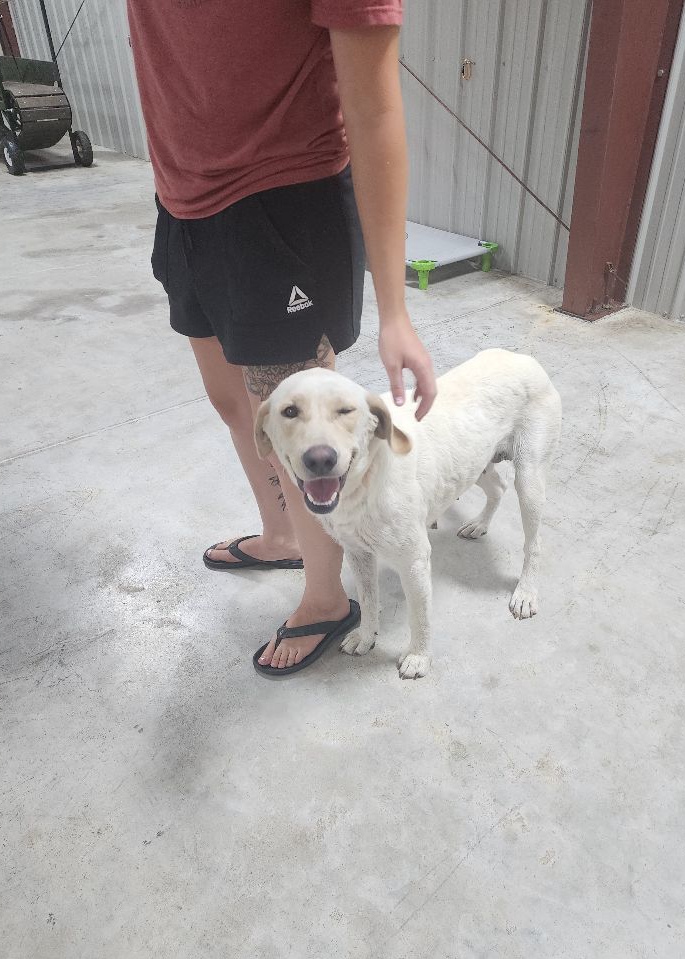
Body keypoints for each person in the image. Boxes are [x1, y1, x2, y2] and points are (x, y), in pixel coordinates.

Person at [127, 0, 437, 676]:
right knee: (239, 407)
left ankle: (327, 598)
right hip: (182, 197)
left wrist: (394, 310)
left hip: (277, 201)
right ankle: (285, 533)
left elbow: (375, 111)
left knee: (306, 433)